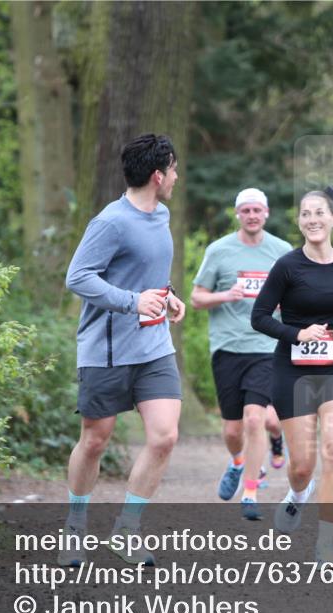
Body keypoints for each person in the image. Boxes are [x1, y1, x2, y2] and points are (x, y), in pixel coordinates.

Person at [60, 133, 186, 567]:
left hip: (154, 348)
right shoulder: (110, 222)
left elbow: (145, 272)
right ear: (157, 175)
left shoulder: (162, 215)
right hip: (107, 351)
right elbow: (78, 277)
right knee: (95, 440)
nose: (177, 177)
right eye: (173, 169)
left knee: (165, 436)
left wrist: (167, 296)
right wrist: (133, 302)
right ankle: (75, 528)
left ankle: (127, 530)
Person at [250, 187, 333, 564]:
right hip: (292, 371)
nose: (313, 219)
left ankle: (325, 545)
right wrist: (297, 334)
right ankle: (297, 495)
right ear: (299, 221)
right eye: (305, 213)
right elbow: (259, 317)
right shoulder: (287, 266)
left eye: (320, 212)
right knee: (302, 466)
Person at [191, 187, 291, 521]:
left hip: (267, 347)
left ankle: (250, 492)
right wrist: (226, 295)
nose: (251, 216)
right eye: (245, 210)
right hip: (227, 348)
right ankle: (237, 462)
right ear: (237, 214)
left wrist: (286, 305)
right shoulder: (219, 251)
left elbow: (298, 296)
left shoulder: (282, 251)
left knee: (255, 419)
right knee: (233, 431)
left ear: (266, 213)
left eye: (257, 210)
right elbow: (197, 298)